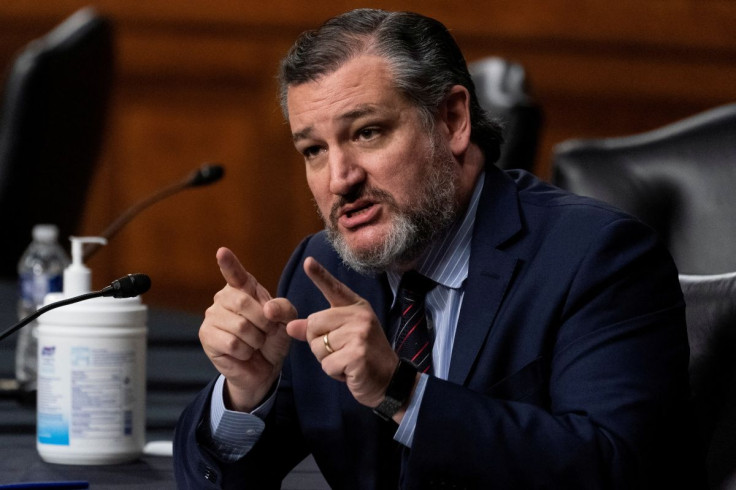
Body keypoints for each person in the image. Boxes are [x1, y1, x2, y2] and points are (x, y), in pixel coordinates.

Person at [174, 8, 704, 489]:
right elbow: (223, 481)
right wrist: (246, 392)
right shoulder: (324, 272)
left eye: (367, 132)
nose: (339, 179)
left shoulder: (597, 256)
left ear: (452, 120)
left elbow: (615, 469)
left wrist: (402, 392)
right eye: (313, 150)